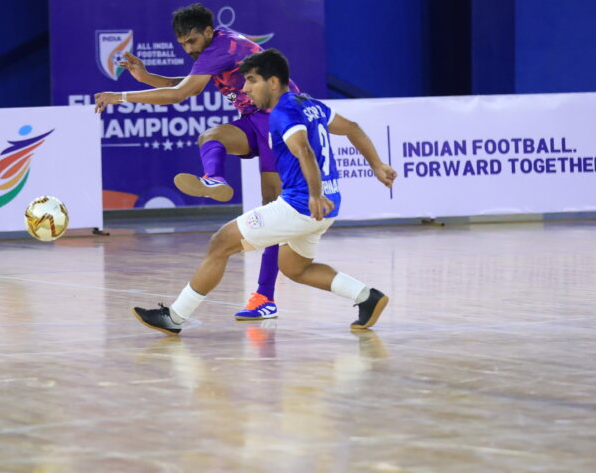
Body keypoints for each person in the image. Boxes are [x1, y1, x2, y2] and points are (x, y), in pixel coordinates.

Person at [131, 49, 397, 336]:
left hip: (301, 205)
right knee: (295, 267)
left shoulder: (283, 112)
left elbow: (304, 150)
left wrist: (313, 194)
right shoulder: (310, 103)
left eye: (251, 81)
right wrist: (377, 164)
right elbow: (353, 128)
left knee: (221, 243)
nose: (244, 88)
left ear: (272, 82)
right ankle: (366, 296)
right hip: (329, 204)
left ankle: (174, 316)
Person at [95, 3, 296, 321]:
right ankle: (214, 179)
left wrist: (119, 97)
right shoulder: (218, 49)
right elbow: (188, 83)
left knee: (272, 209)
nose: (188, 49)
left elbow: (180, 94)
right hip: (254, 119)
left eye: (192, 41)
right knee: (211, 137)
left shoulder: (220, 46)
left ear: (207, 31)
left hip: (280, 122)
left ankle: (264, 296)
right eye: (183, 44)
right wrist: (145, 76)